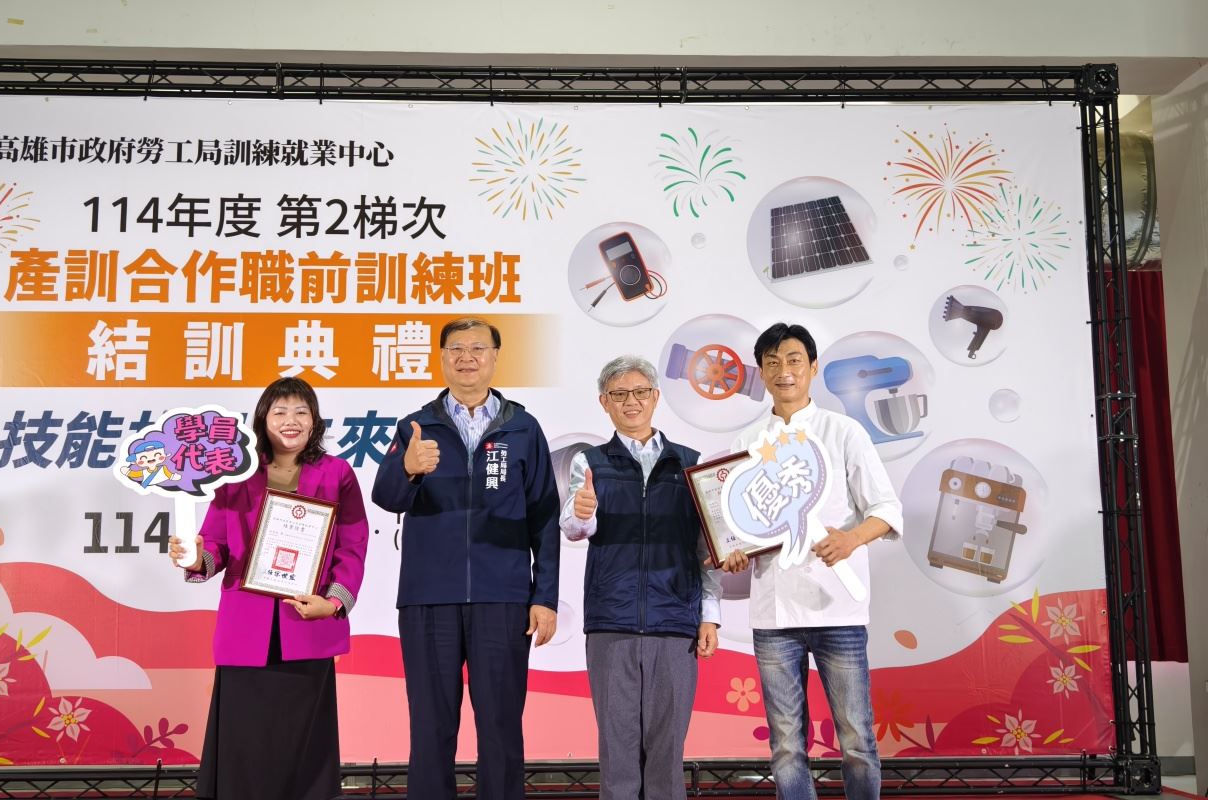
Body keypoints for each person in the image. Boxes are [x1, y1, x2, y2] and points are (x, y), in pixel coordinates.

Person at [372, 316, 560, 800]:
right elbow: (387, 497)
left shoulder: (522, 428)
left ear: (495, 357)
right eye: (456, 348)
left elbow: (544, 517)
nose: (467, 357)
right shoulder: (416, 426)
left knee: (501, 725)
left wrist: (544, 597)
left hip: (503, 597)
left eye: (478, 348)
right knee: (430, 726)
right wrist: (407, 469)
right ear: (442, 358)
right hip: (428, 597)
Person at [721, 323, 903, 800]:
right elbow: (735, 526)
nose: (784, 371)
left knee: (857, 739)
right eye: (773, 362)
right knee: (785, 745)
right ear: (761, 372)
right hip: (774, 614)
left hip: (838, 608)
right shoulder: (745, 441)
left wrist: (851, 539)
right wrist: (733, 551)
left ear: (813, 367)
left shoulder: (844, 432)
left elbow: (886, 509)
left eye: (794, 360)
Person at [169, 376, 369, 800]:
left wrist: (333, 602)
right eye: (280, 411)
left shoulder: (337, 473)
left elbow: (353, 545)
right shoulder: (235, 474)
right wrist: (195, 558)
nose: (290, 420)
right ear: (263, 419)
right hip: (247, 630)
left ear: (314, 421)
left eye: (301, 411)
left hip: (307, 623)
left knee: (305, 750)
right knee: (245, 747)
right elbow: (216, 544)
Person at [560, 355, 723, 800]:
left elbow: (705, 549)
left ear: (655, 397)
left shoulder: (690, 464)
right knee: (617, 755)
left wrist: (709, 615)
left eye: (639, 392)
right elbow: (574, 527)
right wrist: (582, 512)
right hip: (611, 624)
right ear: (604, 402)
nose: (630, 402)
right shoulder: (590, 463)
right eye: (618, 394)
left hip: (675, 624)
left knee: (668, 756)